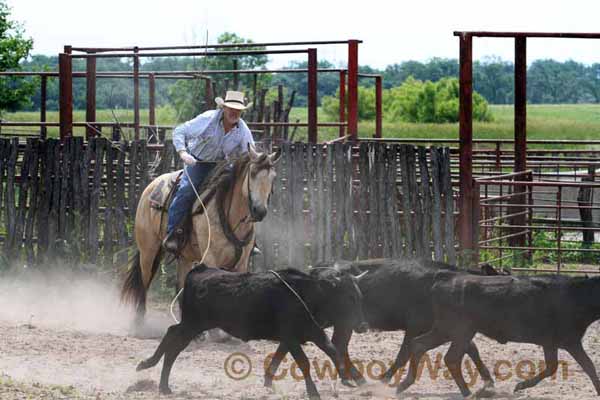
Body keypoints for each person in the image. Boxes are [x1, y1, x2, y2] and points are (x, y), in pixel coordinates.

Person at [163, 90, 255, 253]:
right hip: (198, 162)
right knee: (186, 191)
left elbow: (250, 152)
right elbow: (180, 131)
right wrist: (183, 153)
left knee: (241, 193)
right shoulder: (207, 119)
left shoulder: (243, 131)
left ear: (242, 112)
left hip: (222, 165)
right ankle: (173, 233)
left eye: (238, 110)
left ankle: (248, 238)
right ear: (223, 108)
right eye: (231, 108)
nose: (234, 112)